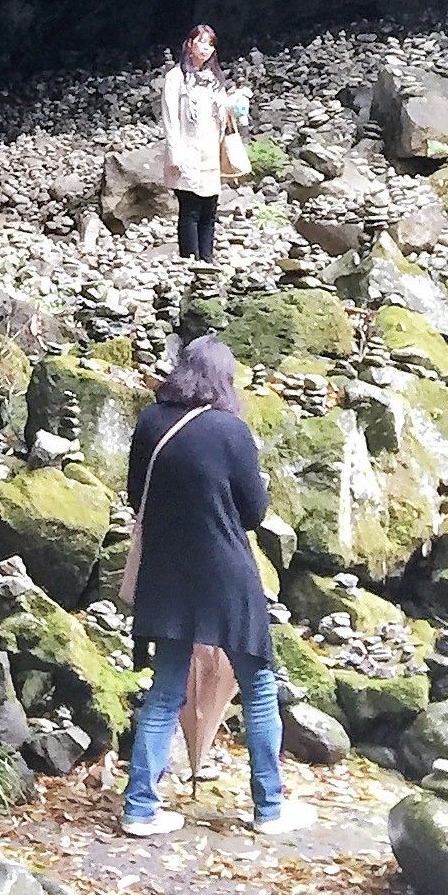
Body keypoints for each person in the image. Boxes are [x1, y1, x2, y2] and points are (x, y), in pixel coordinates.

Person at [118, 335, 311, 836]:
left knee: (164, 693)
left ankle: (140, 808)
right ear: (225, 378)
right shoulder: (232, 431)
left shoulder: (150, 422)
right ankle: (269, 808)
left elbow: (135, 494)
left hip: (166, 574)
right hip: (226, 576)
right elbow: (254, 511)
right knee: (259, 687)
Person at [159, 23, 239, 264]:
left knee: (210, 209)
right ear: (190, 44)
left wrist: (235, 104)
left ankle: (207, 258)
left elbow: (223, 115)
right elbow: (170, 117)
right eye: (201, 42)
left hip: (210, 151)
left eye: (210, 44)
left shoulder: (215, 79)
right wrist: (175, 155)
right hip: (186, 151)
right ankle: (189, 260)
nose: (206, 48)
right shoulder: (176, 78)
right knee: (190, 209)